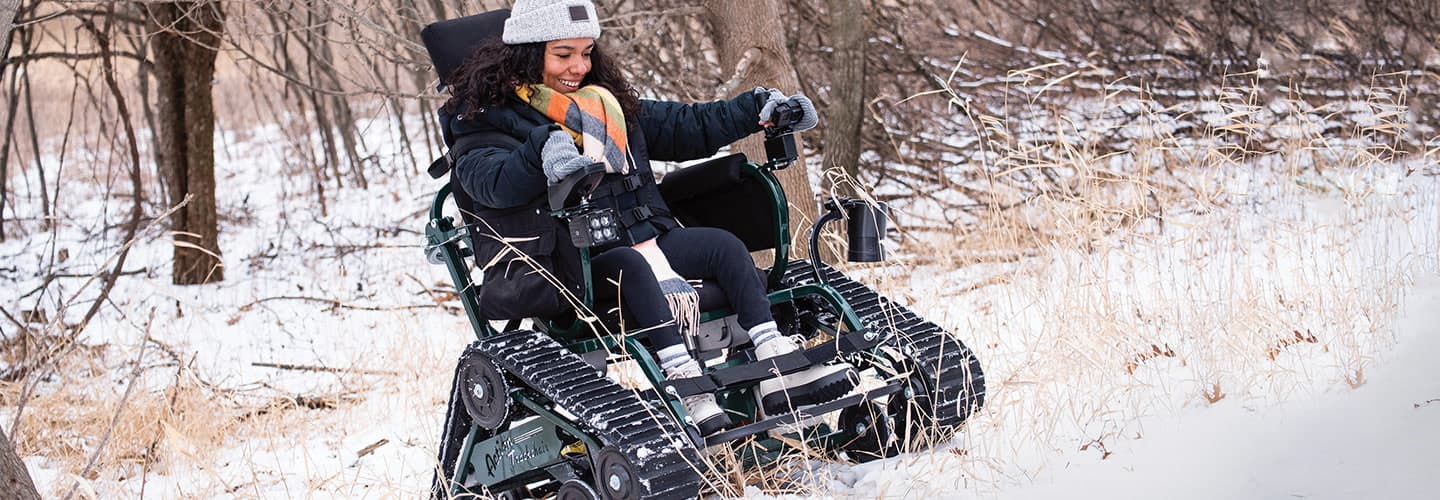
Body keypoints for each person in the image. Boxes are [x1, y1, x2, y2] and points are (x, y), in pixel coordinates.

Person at [439, 0, 853, 435]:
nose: (578, 66)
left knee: (723, 247)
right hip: (570, 266)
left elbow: (685, 125)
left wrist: (758, 110)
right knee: (630, 267)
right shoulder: (482, 121)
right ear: (526, 52)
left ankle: (779, 371)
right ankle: (687, 389)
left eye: (586, 52)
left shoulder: (605, 105)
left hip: (645, 237)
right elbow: (490, 182)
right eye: (563, 54)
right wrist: (538, 150)